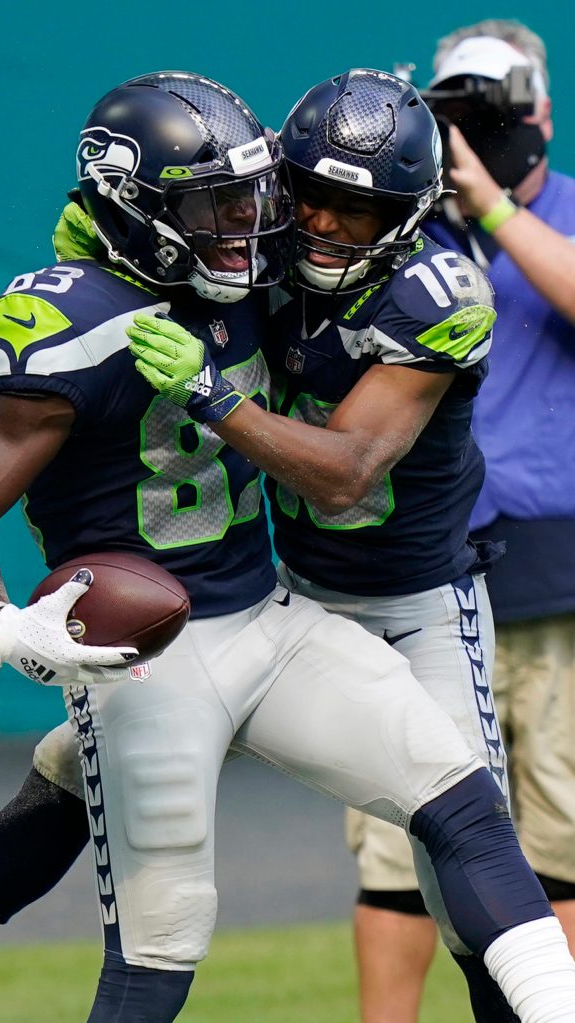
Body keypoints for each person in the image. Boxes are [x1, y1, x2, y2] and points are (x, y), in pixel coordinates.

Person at [0, 69, 575, 1023]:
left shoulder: (400, 289)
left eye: (249, 198)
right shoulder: (87, 315)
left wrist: (214, 393)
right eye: (223, 204)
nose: (254, 225)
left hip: (330, 601)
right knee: (161, 930)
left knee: (462, 810)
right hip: (169, 643)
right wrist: (2, 619)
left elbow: (345, 471)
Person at [343, 21, 575, 1023]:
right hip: (418, 577)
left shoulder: (563, 216)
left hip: (557, 585)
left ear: (541, 111)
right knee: (398, 844)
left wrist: (491, 204)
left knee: (558, 840)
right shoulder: (402, 232)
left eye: (494, 108)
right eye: (454, 112)